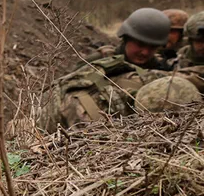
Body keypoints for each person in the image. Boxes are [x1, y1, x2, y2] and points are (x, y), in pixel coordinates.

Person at [40, 8, 171, 130]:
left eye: (152, 47)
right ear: (126, 38)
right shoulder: (98, 62)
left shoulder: (160, 68)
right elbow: (70, 91)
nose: (145, 52)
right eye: (140, 44)